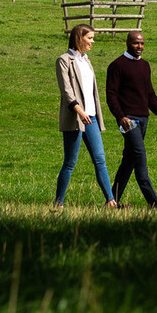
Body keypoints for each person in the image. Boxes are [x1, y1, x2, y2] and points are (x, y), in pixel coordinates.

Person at [53, 23, 116, 209]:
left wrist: (90, 113)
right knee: (70, 162)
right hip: (76, 117)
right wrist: (79, 112)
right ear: (79, 38)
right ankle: (58, 203)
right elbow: (66, 91)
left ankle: (110, 201)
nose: (92, 41)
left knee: (100, 160)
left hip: (92, 118)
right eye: (89, 38)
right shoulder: (64, 60)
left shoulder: (86, 60)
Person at [106, 29, 157, 209]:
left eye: (142, 43)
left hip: (144, 120)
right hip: (129, 122)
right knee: (140, 160)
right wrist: (120, 117)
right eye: (136, 43)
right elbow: (111, 96)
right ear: (128, 43)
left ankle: (112, 201)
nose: (139, 46)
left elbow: (150, 94)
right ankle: (155, 205)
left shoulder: (145, 66)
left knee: (128, 162)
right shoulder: (117, 65)